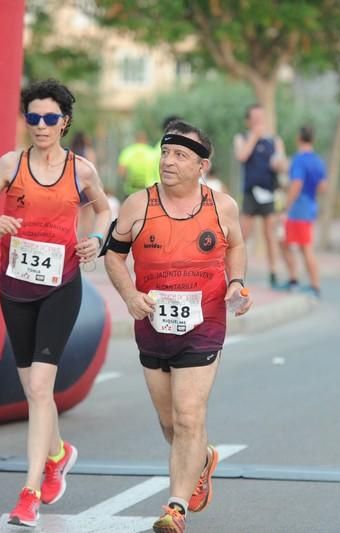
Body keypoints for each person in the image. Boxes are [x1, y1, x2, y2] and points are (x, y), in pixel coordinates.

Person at [0, 79, 111, 528]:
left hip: (61, 284)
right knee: (33, 388)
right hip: (15, 286)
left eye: (50, 118)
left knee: (41, 389)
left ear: (65, 122)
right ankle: (58, 453)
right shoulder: (11, 164)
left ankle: (29, 493)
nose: (41, 126)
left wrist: (95, 241)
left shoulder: (81, 171)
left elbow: (105, 211)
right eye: (33, 118)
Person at [104, 120, 252, 533]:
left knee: (188, 416)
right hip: (152, 324)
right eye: (165, 153)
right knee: (170, 424)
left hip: (204, 324)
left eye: (180, 155)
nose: (168, 161)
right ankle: (202, 459)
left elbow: (236, 244)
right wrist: (131, 296)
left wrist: (236, 282)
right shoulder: (138, 205)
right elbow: (113, 256)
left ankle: (175, 508)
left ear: (201, 165)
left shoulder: (222, 207)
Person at [233, 104, 287, 288]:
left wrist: (279, 164)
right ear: (248, 121)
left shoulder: (275, 140)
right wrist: (254, 137)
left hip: (269, 193)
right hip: (250, 193)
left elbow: (282, 163)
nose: (258, 122)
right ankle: (235, 274)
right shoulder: (242, 138)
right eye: (254, 118)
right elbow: (241, 156)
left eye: (261, 118)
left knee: (270, 235)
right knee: (242, 234)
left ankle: (273, 273)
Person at [279, 126, 327, 298]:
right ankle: (295, 280)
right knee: (286, 243)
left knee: (303, 247)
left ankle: (313, 286)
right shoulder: (318, 161)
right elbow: (323, 187)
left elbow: (296, 184)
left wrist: (286, 205)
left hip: (298, 210)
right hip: (310, 208)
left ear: (299, 138)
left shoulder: (298, 160)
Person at [118, 131, 158, 197]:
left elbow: (121, 170)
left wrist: (126, 180)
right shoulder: (151, 152)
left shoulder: (128, 151)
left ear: (135, 140)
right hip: (148, 190)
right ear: (146, 140)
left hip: (130, 190)